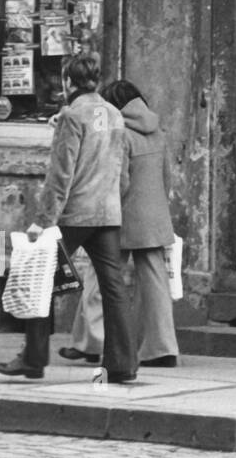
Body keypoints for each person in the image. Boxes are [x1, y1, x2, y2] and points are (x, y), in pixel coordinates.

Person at [0, 52, 137, 383]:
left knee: (39, 280)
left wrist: (42, 220)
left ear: (68, 81)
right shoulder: (115, 115)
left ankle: (32, 359)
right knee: (114, 287)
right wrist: (115, 202)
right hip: (108, 213)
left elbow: (61, 175)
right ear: (97, 79)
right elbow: (124, 174)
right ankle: (123, 364)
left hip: (75, 215)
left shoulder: (72, 115)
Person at [62, 80, 180, 368]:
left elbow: (120, 179)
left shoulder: (119, 132)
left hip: (122, 215)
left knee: (100, 276)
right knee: (155, 282)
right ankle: (161, 348)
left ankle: (92, 342)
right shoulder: (157, 132)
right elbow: (167, 177)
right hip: (154, 217)